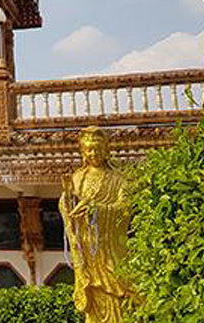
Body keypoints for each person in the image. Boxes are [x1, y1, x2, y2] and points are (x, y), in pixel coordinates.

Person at [59, 126, 133, 323]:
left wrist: (97, 209)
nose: (94, 154)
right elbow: (68, 208)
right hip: (87, 250)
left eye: (98, 149)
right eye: (89, 150)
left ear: (106, 150)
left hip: (110, 250)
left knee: (118, 295)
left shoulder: (118, 180)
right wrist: (68, 199)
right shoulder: (77, 178)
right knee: (92, 298)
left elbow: (126, 208)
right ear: (83, 152)